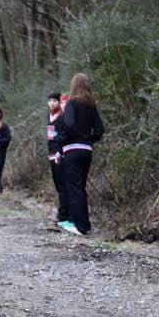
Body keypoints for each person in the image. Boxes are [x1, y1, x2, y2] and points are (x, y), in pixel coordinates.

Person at [58, 73, 105, 236]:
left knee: (74, 187)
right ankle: (84, 223)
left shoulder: (71, 103)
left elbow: (69, 125)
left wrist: (61, 138)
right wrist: (88, 140)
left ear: (73, 86)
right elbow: (100, 130)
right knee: (80, 186)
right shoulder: (92, 106)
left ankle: (80, 226)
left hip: (72, 150)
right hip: (86, 151)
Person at [46, 92, 69, 224]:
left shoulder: (63, 117)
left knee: (63, 184)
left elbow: (63, 137)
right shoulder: (49, 116)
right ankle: (63, 211)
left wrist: (59, 153)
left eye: (55, 101)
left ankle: (63, 214)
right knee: (58, 184)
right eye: (49, 100)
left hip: (60, 154)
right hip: (51, 152)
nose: (52, 103)